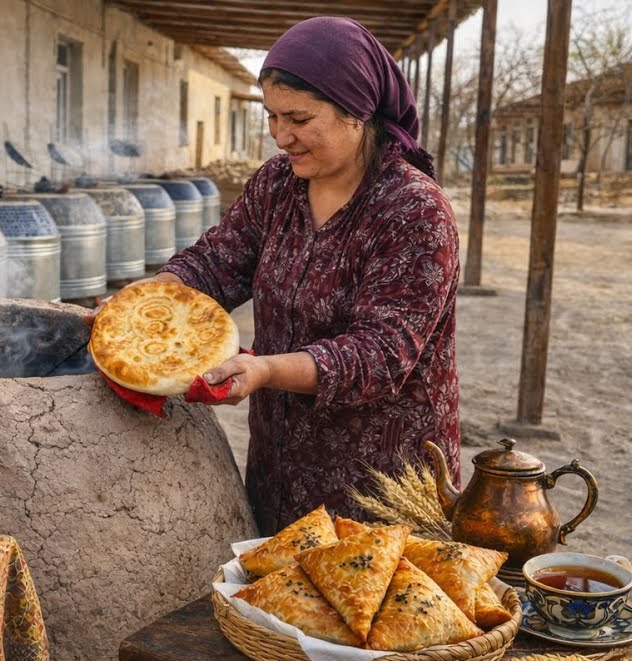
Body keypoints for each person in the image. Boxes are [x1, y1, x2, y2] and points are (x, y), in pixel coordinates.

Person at [99, 16, 461, 536]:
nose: (280, 136)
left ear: (358, 111)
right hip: (281, 457)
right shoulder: (278, 184)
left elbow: (383, 353)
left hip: (380, 475)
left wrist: (267, 371)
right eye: (271, 116)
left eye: (299, 118)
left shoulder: (413, 211)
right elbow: (219, 260)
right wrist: (151, 295)